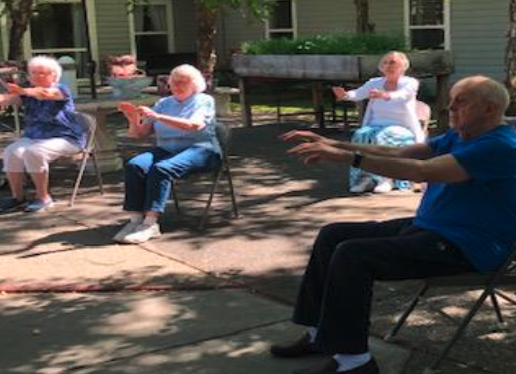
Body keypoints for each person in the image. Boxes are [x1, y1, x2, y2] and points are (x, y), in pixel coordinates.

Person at [271, 75, 516, 374]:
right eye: (452, 99)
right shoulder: (460, 135)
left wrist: (346, 158)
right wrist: (331, 143)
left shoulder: (499, 147)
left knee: (353, 256)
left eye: (461, 101)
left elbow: (420, 170)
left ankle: (355, 361)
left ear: (489, 109)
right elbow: (401, 152)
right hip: (433, 228)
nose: (450, 106)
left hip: (467, 245)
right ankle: (320, 334)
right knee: (332, 234)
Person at [114, 64, 221, 244]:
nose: (177, 87)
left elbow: (194, 126)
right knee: (135, 165)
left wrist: (158, 117)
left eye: (183, 83)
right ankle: (135, 220)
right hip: (167, 149)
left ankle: (150, 224)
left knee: (162, 169)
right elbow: (140, 134)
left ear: (194, 85)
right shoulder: (163, 103)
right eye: (174, 83)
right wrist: (132, 118)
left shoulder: (204, 100)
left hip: (202, 149)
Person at [0, 55, 86, 213]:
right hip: (35, 137)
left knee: (35, 152)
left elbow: (45, 94)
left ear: (54, 75)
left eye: (42, 73)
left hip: (65, 138)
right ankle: (17, 198)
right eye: (33, 73)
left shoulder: (61, 89)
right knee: (11, 152)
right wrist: (6, 98)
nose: (37, 76)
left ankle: (44, 197)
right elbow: (7, 99)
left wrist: (23, 90)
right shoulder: (27, 92)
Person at [332, 51, 425, 194]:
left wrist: (385, 95)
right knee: (360, 135)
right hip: (375, 124)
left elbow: (403, 95)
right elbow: (358, 93)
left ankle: (385, 178)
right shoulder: (374, 82)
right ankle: (365, 178)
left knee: (382, 136)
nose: (388, 66)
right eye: (385, 63)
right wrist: (345, 95)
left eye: (392, 62)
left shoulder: (410, 82)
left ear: (403, 66)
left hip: (401, 126)